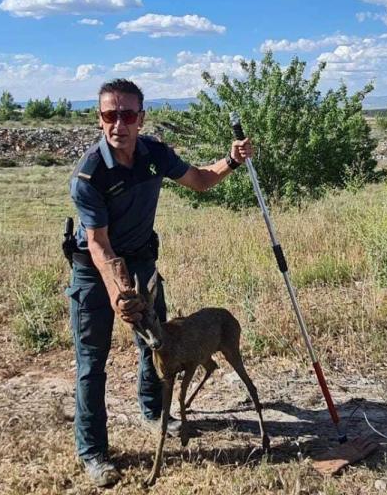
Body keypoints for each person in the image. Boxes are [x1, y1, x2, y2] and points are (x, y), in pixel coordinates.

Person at [66, 78, 252, 487]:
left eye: (127, 115)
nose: (119, 124)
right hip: (94, 270)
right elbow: (98, 244)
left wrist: (232, 160)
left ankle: (155, 413)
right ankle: (93, 452)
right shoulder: (89, 175)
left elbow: (200, 180)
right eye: (110, 115)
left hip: (142, 261)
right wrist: (119, 294)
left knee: (157, 343)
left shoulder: (154, 154)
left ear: (141, 118)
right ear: (99, 119)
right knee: (91, 363)